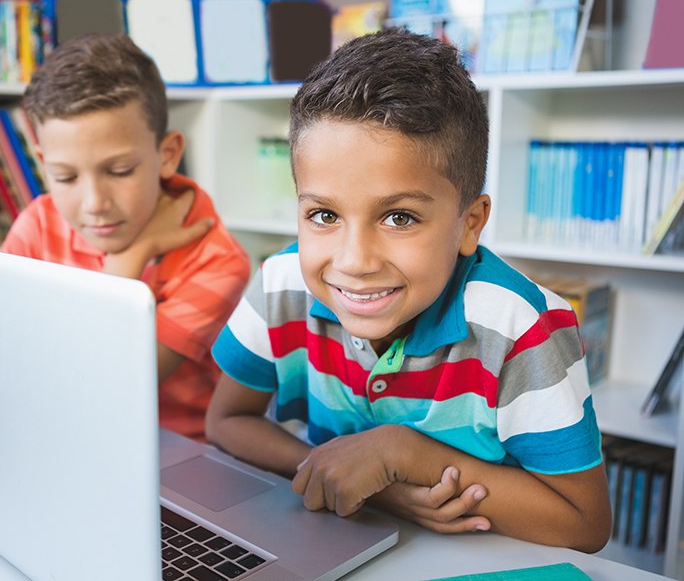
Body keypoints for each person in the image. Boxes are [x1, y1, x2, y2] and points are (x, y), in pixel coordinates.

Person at [206, 27, 611, 552]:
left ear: (470, 223)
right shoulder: (282, 285)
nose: (354, 261)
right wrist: (361, 480)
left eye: (399, 217)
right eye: (324, 214)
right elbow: (225, 420)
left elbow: (585, 525)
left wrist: (403, 453)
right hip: (337, 545)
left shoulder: (520, 328)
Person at [2, 34, 251, 441]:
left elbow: (104, 383)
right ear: (43, 164)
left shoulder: (217, 259)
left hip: (173, 449)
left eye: (119, 171)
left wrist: (125, 262)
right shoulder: (37, 224)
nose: (94, 203)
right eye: (65, 177)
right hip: (55, 428)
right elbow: (7, 355)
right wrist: (140, 249)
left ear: (167, 154)